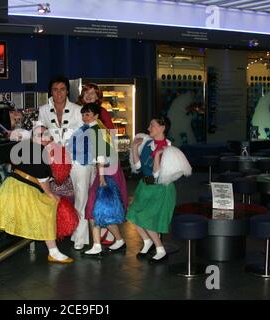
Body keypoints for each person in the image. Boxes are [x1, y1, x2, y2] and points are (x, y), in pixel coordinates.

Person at [0, 125, 73, 263]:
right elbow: (42, 177)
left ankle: (52, 250)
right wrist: (49, 193)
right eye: (38, 135)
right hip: (21, 188)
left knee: (46, 207)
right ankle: (53, 251)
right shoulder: (35, 150)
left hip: (14, 186)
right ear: (32, 137)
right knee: (48, 206)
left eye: (45, 134)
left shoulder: (31, 148)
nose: (42, 138)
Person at [127, 115, 191, 263]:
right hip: (144, 187)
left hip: (159, 189)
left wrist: (157, 157)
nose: (149, 128)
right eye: (149, 125)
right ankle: (147, 241)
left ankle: (160, 249)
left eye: (152, 125)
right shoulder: (147, 143)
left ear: (162, 128)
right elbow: (137, 168)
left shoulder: (169, 148)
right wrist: (135, 148)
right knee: (132, 214)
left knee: (146, 218)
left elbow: (157, 174)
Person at [38, 76, 90, 251]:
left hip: (77, 158)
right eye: (55, 89)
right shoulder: (44, 110)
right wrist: (44, 137)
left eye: (62, 89)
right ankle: (53, 230)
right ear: (50, 92)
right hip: (54, 159)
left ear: (67, 91)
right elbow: (38, 129)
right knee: (48, 195)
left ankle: (80, 235)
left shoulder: (78, 110)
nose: (58, 93)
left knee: (81, 194)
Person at [77, 83, 128, 246]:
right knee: (97, 201)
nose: (90, 95)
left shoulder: (100, 115)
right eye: (87, 92)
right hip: (95, 163)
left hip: (104, 165)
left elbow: (106, 141)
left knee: (100, 201)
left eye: (93, 93)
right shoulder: (84, 114)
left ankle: (108, 237)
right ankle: (107, 238)